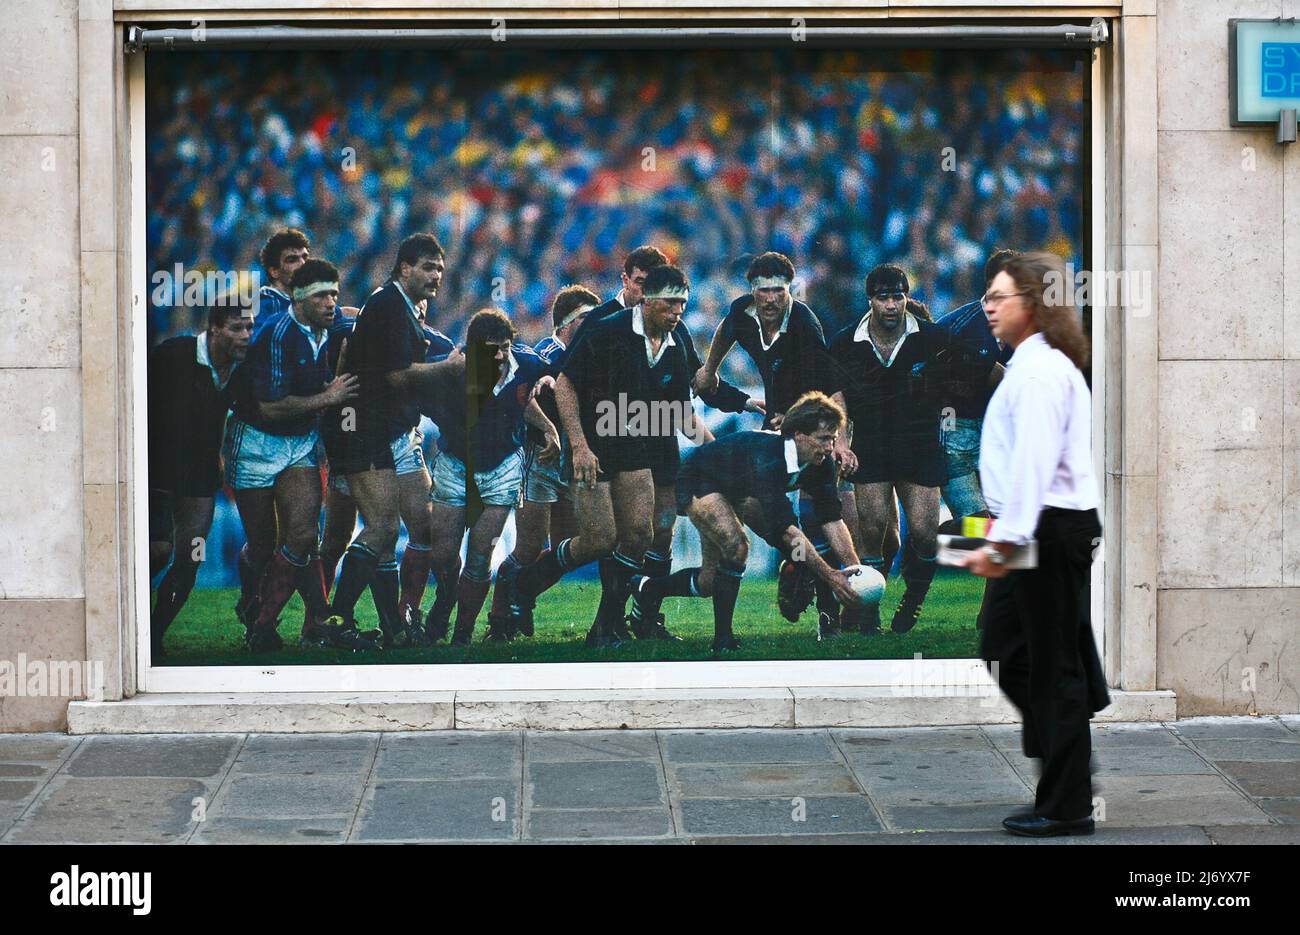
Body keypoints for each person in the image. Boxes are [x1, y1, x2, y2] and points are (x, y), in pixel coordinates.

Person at [510, 264, 754, 646]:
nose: (677, 313)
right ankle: (523, 584)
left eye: (683, 306)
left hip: (638, 447)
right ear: (647, 299)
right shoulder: (609, 330)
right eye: (671, 304)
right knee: (599, 539)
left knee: (642, 535)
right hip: (595, 445)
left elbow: (678, 411)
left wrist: (712, 449)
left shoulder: (675, 345)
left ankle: (607, 627)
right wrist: (580, 446)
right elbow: (566, 384)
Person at [962, 250, 1107, 838]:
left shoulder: (1042, 372)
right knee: (1006, 648)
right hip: (1034, 526)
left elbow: (1035, 466)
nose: (987, 307)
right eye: (987, 297)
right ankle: (1068, 742)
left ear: (1035, 304)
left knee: (1049, 665)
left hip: (1045, 528)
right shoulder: (1028, 364)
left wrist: (1004, 543)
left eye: (1000, 297)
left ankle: (1067, 801)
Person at [828, 264, 997, 634]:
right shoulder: (845, 342)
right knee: (873, 535)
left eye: (898, 296)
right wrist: (841, 442)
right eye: (884, 297)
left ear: (907, 296)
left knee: (923, 535)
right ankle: (868, 615)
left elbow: (982, 370)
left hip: (920, 445)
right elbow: (836, 396)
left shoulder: (933, 338)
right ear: (870, 299)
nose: (892, 305)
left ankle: (913, 600)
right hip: (870, 444)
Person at [629, 392, 859, 652]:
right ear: (798, 435)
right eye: (823, 439)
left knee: (708, 582)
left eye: (832, 439)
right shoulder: (771, 459)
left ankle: (647, 588)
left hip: (738, 487)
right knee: (738, 547)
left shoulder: (822, 463)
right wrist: (830, 576)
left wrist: (854, 571)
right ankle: (723, 641)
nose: (830, 447)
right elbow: (786, 530)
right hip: (699, 478)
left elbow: (831, 519)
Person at [325, 233, 463, 648]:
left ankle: (400, 622)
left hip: (399, 431)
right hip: (365, 431)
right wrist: (450, 367)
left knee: (423, 527)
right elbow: (395, 376)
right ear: (405, 268)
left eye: (439, 268)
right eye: (427, 267)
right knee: (383, 529)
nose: (436, 275)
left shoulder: (406, 307)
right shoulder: (387, 305)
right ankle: (337, 618)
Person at [223, 260, 359, 651]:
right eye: (322, 295)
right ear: (299, 299)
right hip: (257, 441)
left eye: (334, 293)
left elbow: (368, 323)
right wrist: (329, 397)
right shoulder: (276, 334)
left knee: (302, 535)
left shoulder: (330, 326)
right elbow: (271, 407)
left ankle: (264, 624)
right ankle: (252, 601)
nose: (331, 302)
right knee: (263, 546)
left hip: (299, 443)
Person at [424, 309, 557, 645]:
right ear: (471, 349)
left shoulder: (528, 363)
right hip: (455, 465)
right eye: (490, 349)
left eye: (505, 347)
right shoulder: (450, 369)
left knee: (481, 556)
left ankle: (462, 635)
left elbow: (538, 388)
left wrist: (547, 417)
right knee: (442, 554)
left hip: (503, 467)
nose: (499, 355)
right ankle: (444, 599)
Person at [490, 285, 600, 639]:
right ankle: (500, 617)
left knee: (570, 544)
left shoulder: (586, 354)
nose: (595, 325)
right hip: (540, 458)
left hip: (571, 459)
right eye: (588, 318)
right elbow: (522, 395)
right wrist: (549, 427)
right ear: (568, 323)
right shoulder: (547, 352)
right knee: (529, 546)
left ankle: (524, 595)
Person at [147, 301, 253, 659]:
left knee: (192, 555)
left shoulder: (241, 370)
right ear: (215, 329)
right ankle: (126, 620)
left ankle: (154, 637)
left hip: (200, 472)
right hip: (158, 467)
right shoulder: (174, 355)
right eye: (238, 328)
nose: (246, 336)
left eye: (250, 328)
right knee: (158, 552)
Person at [934, 249, 1019, 522]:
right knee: (977, 524)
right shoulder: (955, 328)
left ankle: (949, 537)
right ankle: (946, 536)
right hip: (956, 433)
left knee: (1007, 521)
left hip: (1000, 433)